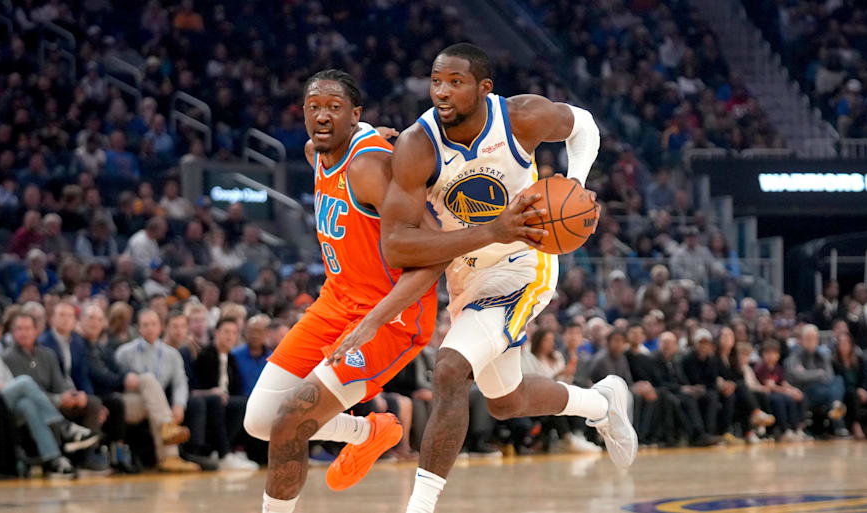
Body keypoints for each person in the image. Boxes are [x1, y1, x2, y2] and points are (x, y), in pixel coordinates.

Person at [371, 43, 634, 513]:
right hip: (465, 270)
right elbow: (396, 244)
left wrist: (575, 182)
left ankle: (420, 506)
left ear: (483, 88)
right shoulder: (418, 144)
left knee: (450, 367)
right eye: (436, 81)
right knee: (506, 401)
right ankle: (602, 404)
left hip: (523, 262)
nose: (442, 92)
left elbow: (585, 125)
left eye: (456, 82)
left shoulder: (521, 118)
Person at [242, 69, 445, 513]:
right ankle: (368, 432)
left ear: (355, 115)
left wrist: (371, 322)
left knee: (291, 423)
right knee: (259, 421)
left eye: (335, 108)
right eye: (314, 107)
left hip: (389, 317)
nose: (322, 116)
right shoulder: (317, 150)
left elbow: (433, 256)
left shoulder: (370, 167)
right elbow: (314, 145)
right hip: (335, 302)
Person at [0, 306, 99, 476]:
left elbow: (9, 383)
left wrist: (4, 386)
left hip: (4, 402)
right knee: (25, 381)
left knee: (27, 404)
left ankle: (54, 459)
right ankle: (63, 427)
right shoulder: (0, 354)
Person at [114, 309, 200, 472]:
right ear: (139, 328)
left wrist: (179, 405)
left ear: (161, 327)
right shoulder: (124, 353)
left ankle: (168, 457)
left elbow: (180, 382)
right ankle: (170, 453)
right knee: (147, 379)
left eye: (154, 324)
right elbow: (114, 380)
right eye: (145, 325)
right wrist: (126, 378)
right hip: (131, 402)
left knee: (156, 406)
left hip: (155, 406)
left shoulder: (172, 354)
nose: (150, 328)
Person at [192, 317, 257, 470]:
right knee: (219, 400)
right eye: (226, 332)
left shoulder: (232, 358)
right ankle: (223, 453)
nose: (230, 336)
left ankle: (229, 450)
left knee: (244, 403)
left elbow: (236, 387)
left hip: (225, 400)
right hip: (206, 399)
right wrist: (212, 392)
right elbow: (196, 386)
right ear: (216, 333)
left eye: (234, 333)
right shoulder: (205, 355)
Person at [786, 324, 849, 437]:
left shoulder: (822, 354)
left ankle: (835, 404)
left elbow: (829, 375)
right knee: (832, 391)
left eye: (813, 338)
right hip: (806, 390)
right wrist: (818, 373)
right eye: (808, 338)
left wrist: (811, 374)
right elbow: (798, 375)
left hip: (824, 388)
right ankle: (838, 421)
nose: (811, 341)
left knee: (838, 380)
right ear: (802, 339)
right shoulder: (796, 355)